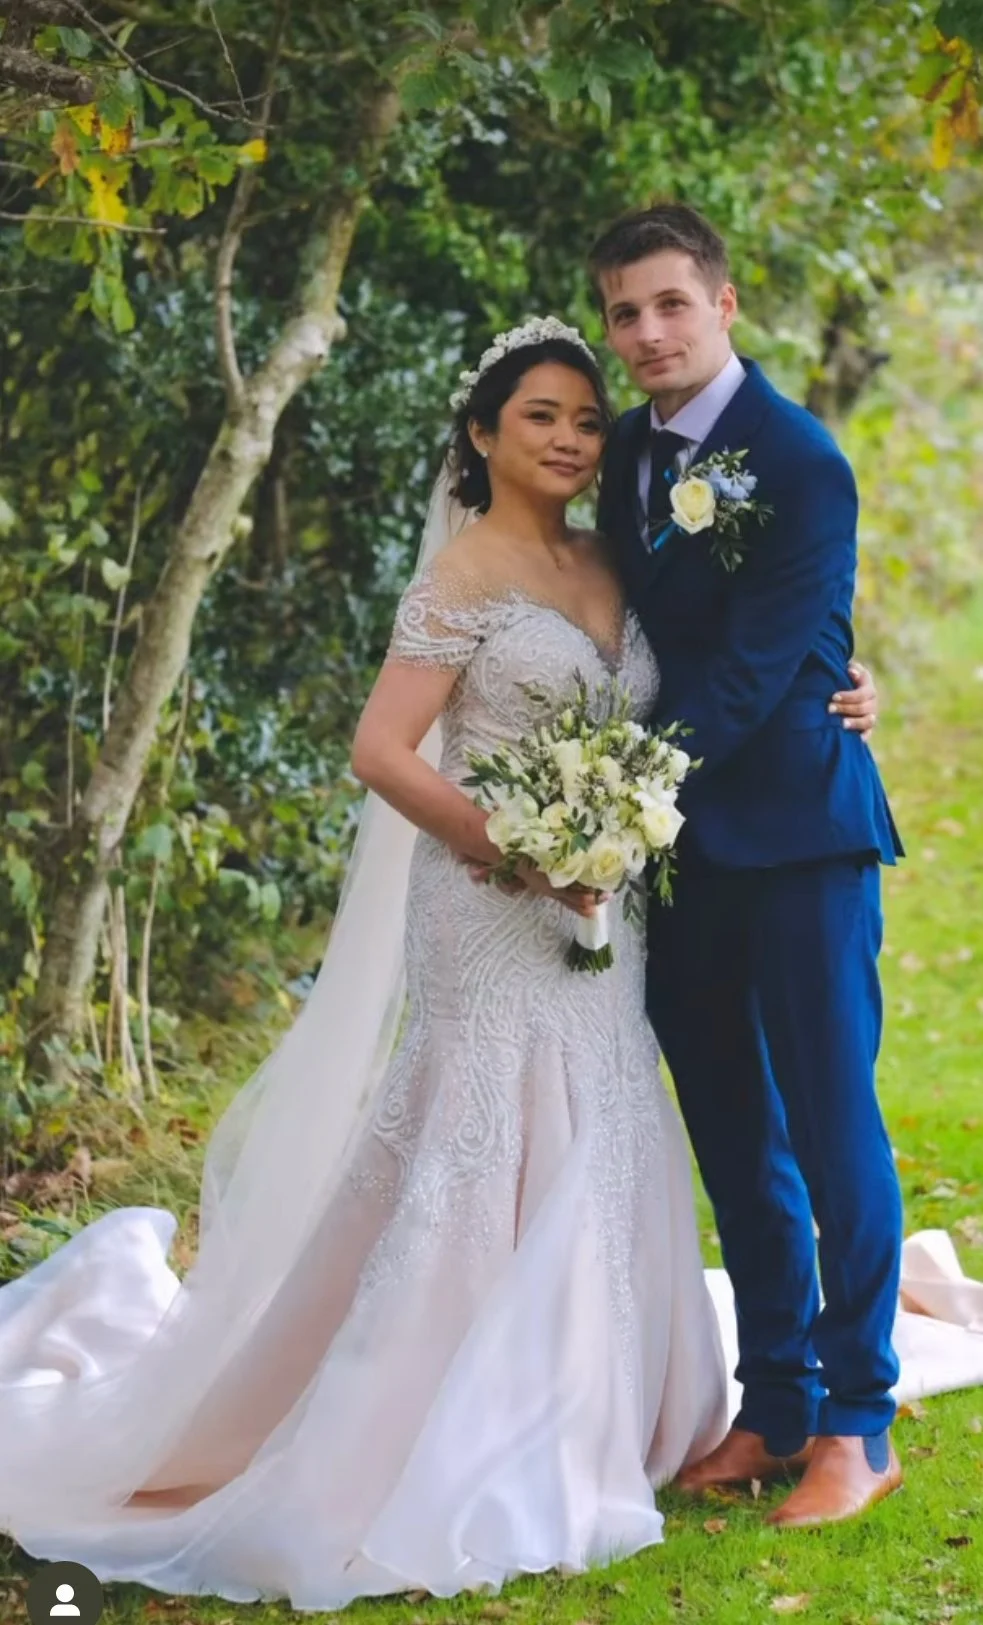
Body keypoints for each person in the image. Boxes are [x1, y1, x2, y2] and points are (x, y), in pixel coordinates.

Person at [0, 319, 883, 1610]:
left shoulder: (617, 545)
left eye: (586, 419)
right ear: (482, 434)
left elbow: (729, 636)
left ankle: (618, 1400)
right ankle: (436, 1409)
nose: (577, 437)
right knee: (477, 1137)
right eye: (543, 418)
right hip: (492, 901)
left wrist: (839, 679)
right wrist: (518, 849)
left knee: (603, 1129)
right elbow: (382, 750)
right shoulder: (463, 576)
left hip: (603, 906)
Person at [593, 201, 905, 1525]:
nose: (648, 332)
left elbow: (758, 666)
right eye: (624, 313)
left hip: (795, 833)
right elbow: (631, 627)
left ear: (722, 305)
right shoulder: (617, 456)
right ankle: (771, 1404)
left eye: (670, 303)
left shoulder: (798, 458)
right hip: (680, 856)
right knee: (734, 1134)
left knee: (831, 1128)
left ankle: (858, 1420)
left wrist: (607, 793)